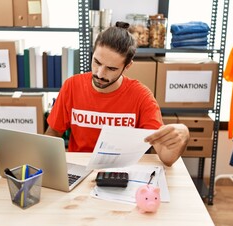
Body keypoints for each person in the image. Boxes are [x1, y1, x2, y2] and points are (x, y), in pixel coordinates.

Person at [45, 21, 190, 167]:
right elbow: (53, 133)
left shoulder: (141, 96)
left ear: (127, 66)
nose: (100, 74)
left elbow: (166, 157)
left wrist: (182, 137)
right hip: (80, 169)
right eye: (96, 62)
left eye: (111, 68)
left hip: (122, 173)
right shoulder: (72, 86)